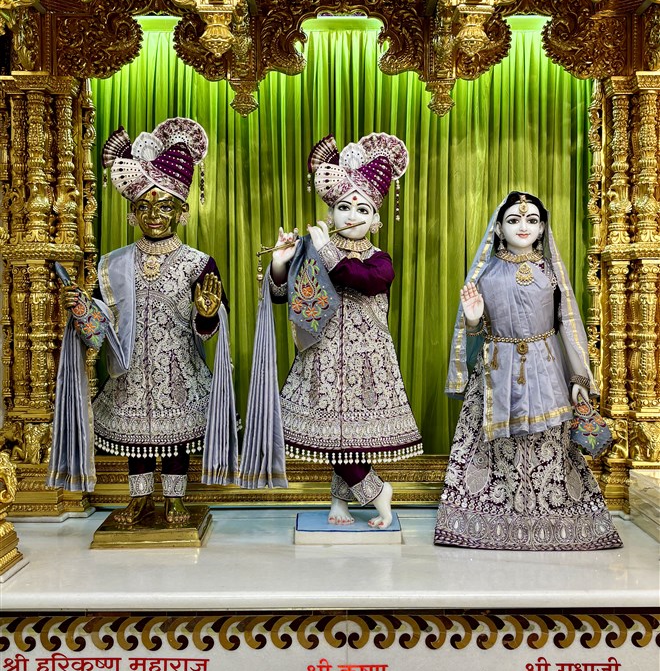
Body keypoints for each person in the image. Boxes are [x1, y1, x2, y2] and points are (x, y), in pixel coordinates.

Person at [47, 118, 237, 524]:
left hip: (179, 371)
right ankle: (138, 499)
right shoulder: (112, 264)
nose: (154, 215)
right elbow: (99, 328)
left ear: (182, 211)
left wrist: (207, 314)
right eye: (144, 206)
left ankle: (174, 499)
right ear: (133, 212)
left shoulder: (198, 263)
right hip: (129, 371)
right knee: (135, 441)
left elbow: (212, 328)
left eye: (165, 206)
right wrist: (80, 309)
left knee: (175, 439)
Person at [434, 191, 622, 551]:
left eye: (532, 220)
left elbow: (568, 322)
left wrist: (578, 378)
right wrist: (472, 321)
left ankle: (550, 521)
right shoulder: (485, 273)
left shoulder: (550, 272)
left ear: (542, 228)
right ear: (499, 229)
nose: (524, 226)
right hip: (495, 369)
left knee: (547, 445)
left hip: (545, 369)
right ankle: (490, 522)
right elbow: (475, 332)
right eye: (514, 220)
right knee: (496, 449)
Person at [265, 133, 422, 528]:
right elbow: (283, 296)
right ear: (331, 213)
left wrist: (327, 252)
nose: (352, 216)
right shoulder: (313, 250)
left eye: (362, 209)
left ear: (376, 219)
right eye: (343, 207)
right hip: (321, 355)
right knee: (335, 435)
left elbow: (364, 281)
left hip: (365, 361)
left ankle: (375, 492)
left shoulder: (380, 258)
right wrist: (282, 261)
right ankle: (342, 501)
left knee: (350, 437)